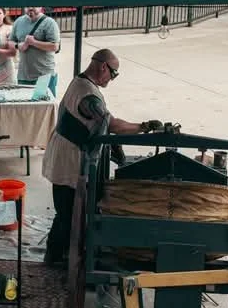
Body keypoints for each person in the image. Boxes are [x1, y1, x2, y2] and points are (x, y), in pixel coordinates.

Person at [42, 49, 162, 270]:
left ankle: (58, 254)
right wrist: (143, 127)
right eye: (114, 74)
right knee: (67, 211)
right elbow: (111, 124)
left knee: (66, 210)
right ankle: (55, 258)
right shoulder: (88, 95)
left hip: (64, 152)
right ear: (103, 67)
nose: (112, 79)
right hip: (68, 157)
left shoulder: (81, 83)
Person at [12, 7, 60, 96]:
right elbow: (10, 41)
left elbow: (54, 46)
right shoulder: (18, 21)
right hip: (23, 76)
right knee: (25, 107)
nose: (30, 8)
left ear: (41, 6)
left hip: (44, 76)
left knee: (43, 106)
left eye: (34, 5)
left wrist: (34, 42)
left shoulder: (49, 23)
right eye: (27, 5)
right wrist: (18, 46)